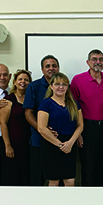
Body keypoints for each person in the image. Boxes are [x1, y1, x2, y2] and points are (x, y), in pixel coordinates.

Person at [71, 49, 103, 187]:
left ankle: (100, 199)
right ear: (88, 62)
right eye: (94, 59)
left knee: (102, 164)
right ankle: (87, 200)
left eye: (100, 59)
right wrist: (78, 133)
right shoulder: (78, 80)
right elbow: (73, 107)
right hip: (87, 128)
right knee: (87, 165)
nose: (98, 62)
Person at [38, 73, 83, 187]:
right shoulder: (46, 103)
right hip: (51, 145)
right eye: (57, 84)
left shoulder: (73, 104)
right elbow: (42, 128)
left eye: (64, 84)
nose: (61, 87)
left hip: (70, 144)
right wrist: (60, 145)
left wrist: (70, 143)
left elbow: (80, 125)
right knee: (54, 181)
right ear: (51, 86)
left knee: (70, 181)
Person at [24, 55, 60, 186]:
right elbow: (28, 113)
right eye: (47, 66)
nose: (51, 69)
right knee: (37, 180)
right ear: (42, 69)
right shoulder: (34, 86)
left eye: (54, 65)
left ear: (58, 68)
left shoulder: (64, 87)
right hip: (39, 141)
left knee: (58, 179)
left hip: (59, 141)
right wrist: (42, 129)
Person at [0, 69, 32, 186]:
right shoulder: (8, 101)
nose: (23, 82)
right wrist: (8, 145)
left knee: (27, 175)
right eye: (20, 79)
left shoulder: (31, 99)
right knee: (12, 176)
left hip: (28, 145)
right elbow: (3, 123)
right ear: (14, 82)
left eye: (26, 80)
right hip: (13, 144)